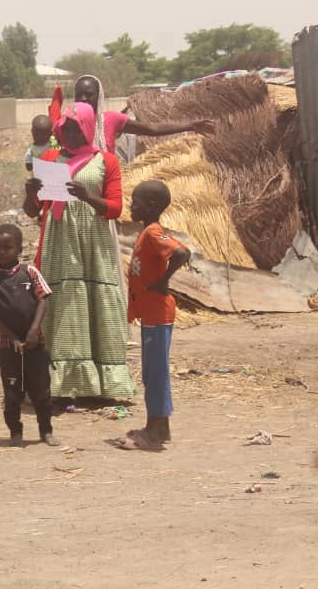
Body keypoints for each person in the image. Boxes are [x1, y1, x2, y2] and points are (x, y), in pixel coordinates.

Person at [23, 101, 135, 402]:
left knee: (97, 302)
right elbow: (33, 210)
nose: (70, 135)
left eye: (76, 128)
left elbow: (114, 208)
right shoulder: (48, 158)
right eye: (66, 129)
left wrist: (87, 197)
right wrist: (30, 193)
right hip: (59, 243)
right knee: (62, 305)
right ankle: (63, 385)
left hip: (92, 244)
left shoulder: (106, 161)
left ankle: (103, 383)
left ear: (87, 128)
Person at [115, 181, 191, 451]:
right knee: (152, 372)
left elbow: (182, 252)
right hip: (151, 313)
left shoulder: (152, 232)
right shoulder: (146, 232)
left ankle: (153, 434)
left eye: (135, 201)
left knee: (155, 374)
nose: (131, 206)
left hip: (157, 313)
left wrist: (163, 281)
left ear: (151, 206)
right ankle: (160, 427)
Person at [0, 223, 58, 447]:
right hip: (8, 347)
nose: (2, 251)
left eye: (8, 247)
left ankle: (46, 431)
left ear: (19, 249)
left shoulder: (30, 272)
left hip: (35, 344)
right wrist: (12, 336)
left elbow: (43, 300)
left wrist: (34, 330)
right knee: (12, 393)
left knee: (41, 392)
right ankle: (15, 431)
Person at [66, 75, 216, 156]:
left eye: (89, 94)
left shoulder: (111, 119)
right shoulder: (68, 123)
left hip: (107, 188)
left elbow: (151, 129)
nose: (84, 99)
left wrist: (190, 125)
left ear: (99, 96)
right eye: (79, 95)